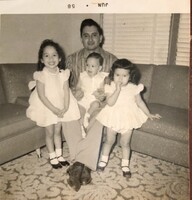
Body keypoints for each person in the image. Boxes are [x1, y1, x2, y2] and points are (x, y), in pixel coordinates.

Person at [64, 18, 117, 192]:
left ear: (101, 37)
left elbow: (116, 88)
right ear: (81, 38)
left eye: (94, 35)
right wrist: (73, 92)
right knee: (67, 115)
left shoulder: (112, 60)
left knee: (101, 116)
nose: (90, 39)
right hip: (79, 100)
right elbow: (66, 86)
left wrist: (104, 96)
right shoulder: (71, 60)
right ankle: (84, 163)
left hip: (99, 103)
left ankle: (79, 163)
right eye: (86, 36)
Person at [96, 59, 161, 178]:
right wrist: (117, 89)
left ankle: (125, 165)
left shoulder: (134, 88)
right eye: (117, 75)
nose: (120, 79)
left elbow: (140, 102)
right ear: (113, 74)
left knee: (125, 143)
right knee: (109, 141)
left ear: (130, 76)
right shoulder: (110, 86)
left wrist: (149, 114)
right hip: (113, 118)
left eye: (124, 75)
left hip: (128, 118)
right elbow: (110, 102)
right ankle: (103, 160)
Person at [26, 39, 80, 169]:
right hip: (47, 107)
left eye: (54, 55)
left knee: (58, 131)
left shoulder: (63, 74)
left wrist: (65, 107)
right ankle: (52, 156)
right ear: (41, 60)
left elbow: (66, 92)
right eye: (46, 55)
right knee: (50, 132)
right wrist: (54, 109)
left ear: (60, 58)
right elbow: (41, 96)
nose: (51, 58)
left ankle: (59, 155)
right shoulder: (41, 75)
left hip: (60, 106)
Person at [76, 52, 108, 136]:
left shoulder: (101, 78)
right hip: (83, 98)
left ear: (99, 68)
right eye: (87, 65)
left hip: (93, 99)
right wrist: (78, 90)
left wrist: (99, 92)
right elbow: (78, 87)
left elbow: (102, 90)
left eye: (93, 66)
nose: (89, 68)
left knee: (96, 104)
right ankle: (82, 127)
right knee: (80, 111)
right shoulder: (82, 75)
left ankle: (88, 115)